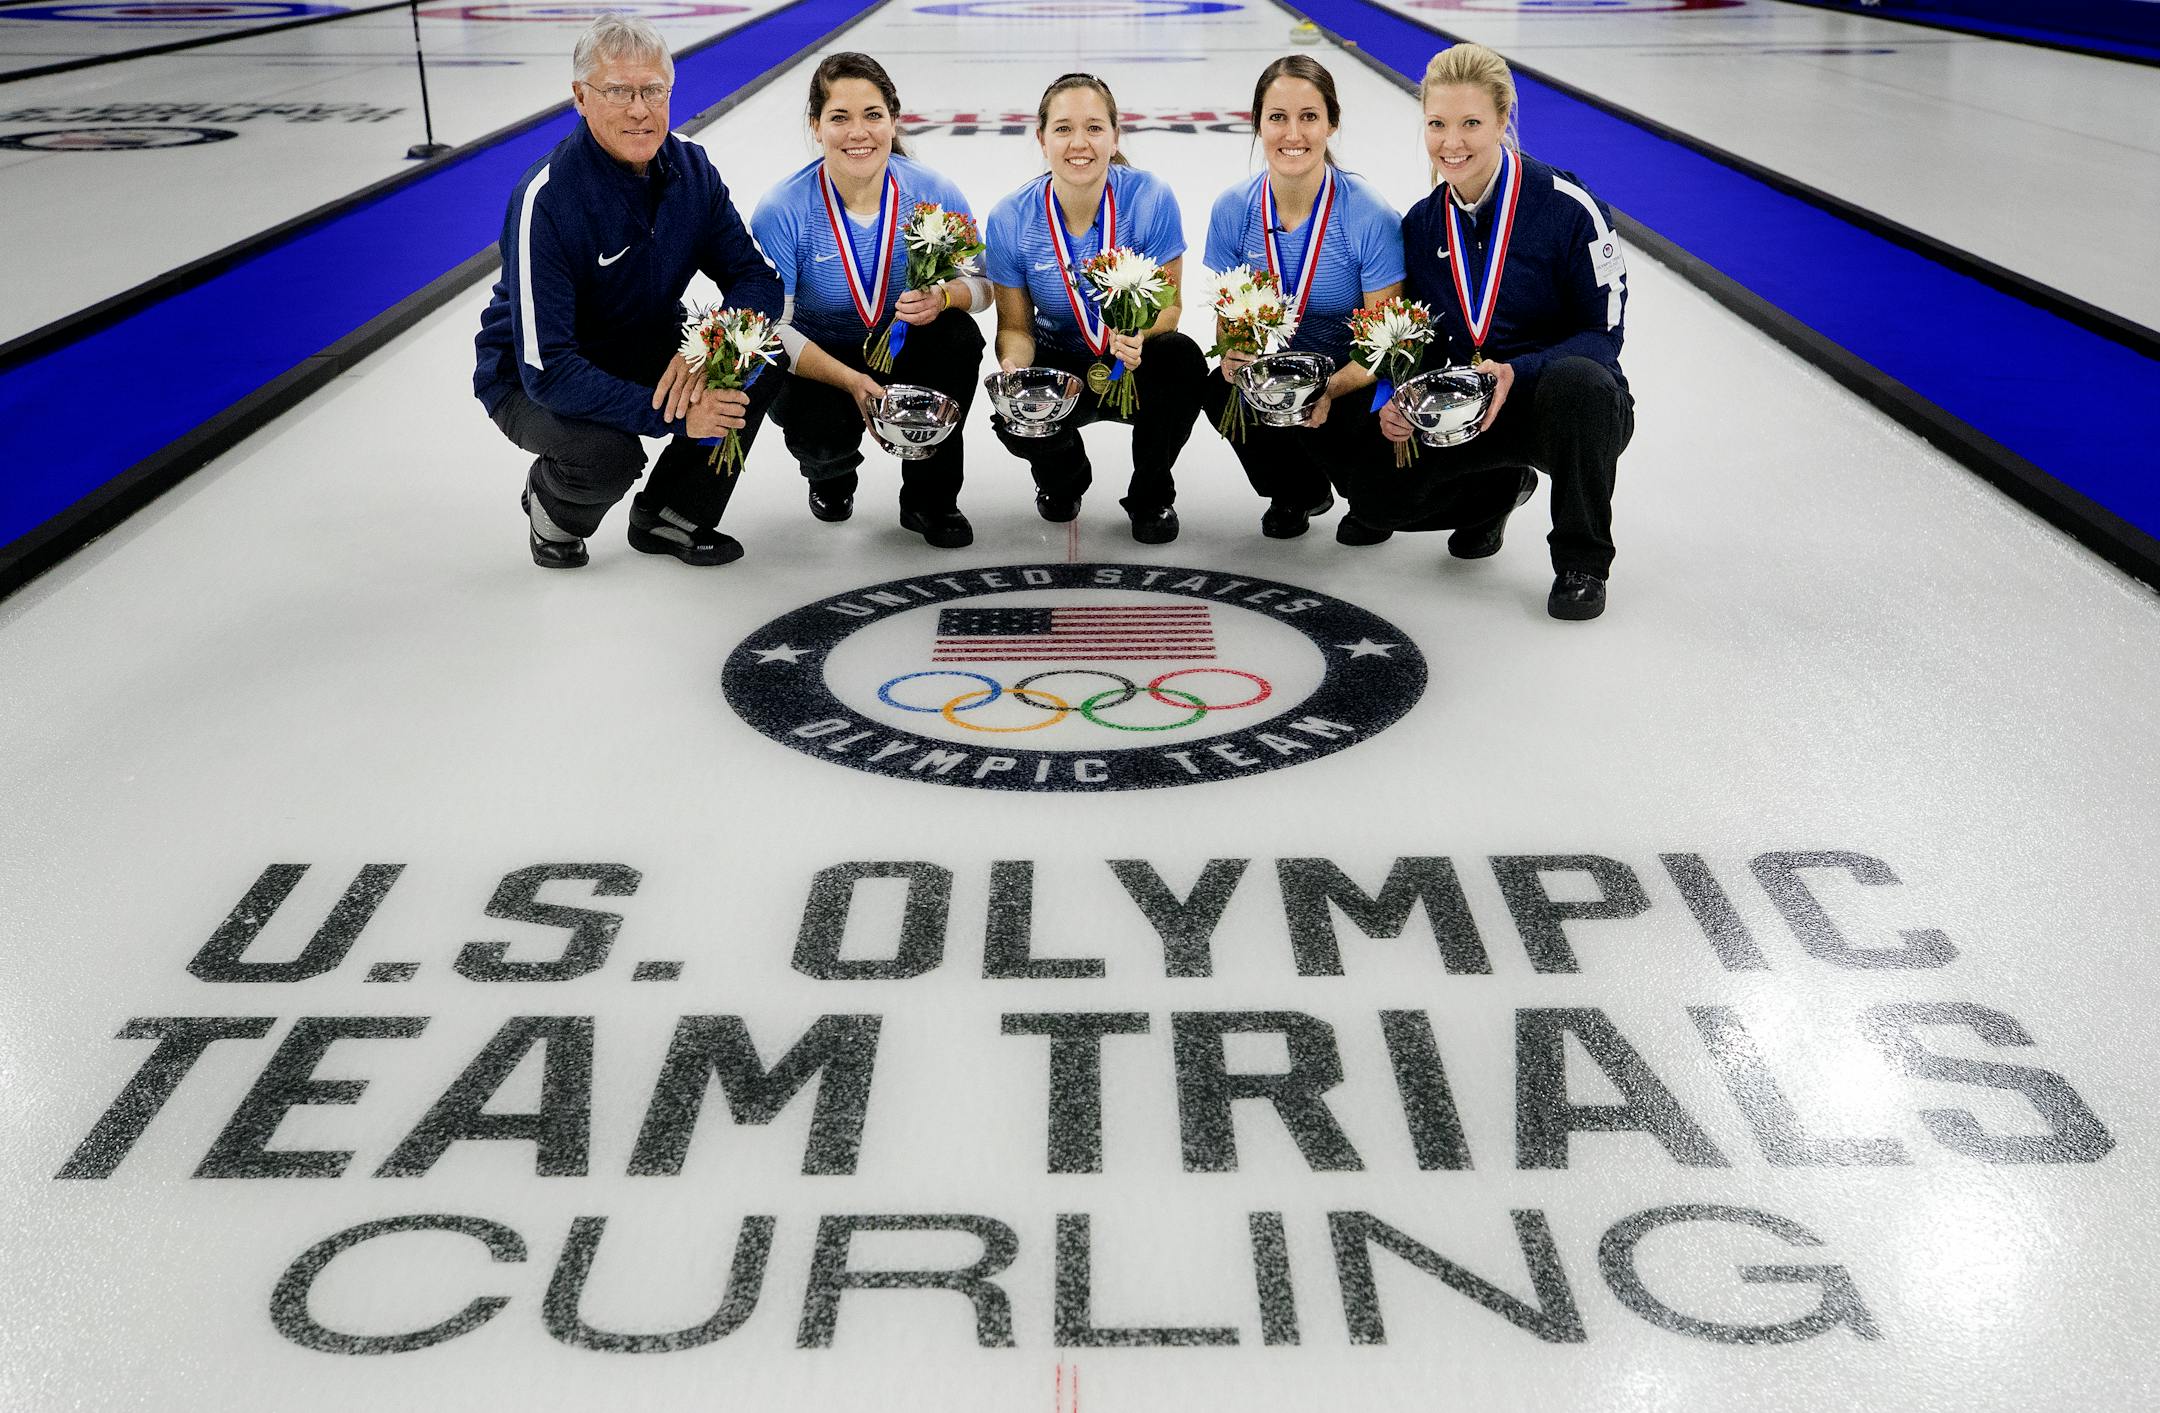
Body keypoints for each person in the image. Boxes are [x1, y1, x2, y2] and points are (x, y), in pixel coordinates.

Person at [472, 15, 783, 568]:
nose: (639, 109)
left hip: (644, 347)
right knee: (608, 454)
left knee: (758, 357)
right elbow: (549, 370)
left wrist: (715, 347)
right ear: (580, 98)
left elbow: (756, 279)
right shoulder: (545, 199)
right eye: (618, 91)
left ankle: (672, 513)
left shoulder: (691, 167)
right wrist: (674, 416)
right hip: (532, 376)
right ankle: (552, 509)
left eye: (653, 90)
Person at [1347, 42, 1633, 621]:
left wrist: (1516, 371)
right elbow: (1417, 339)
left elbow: (1603, 337)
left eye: (1471, 123)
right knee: (1374, 500)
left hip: (1552, 403)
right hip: (1462, 408)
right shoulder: (1422, 224)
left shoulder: (1570, 209)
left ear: (1503, 120)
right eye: (1437, 124)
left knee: (1583, 383)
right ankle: (1495, 496)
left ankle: (1581, 562)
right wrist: (1397, 397)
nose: (1451, 143)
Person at [751, 53, 988, 549]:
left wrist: (945, 296)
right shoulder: (784, 209)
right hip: (821, 365)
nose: (858, 132)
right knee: (819, 431)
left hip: (905, 349)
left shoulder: (932, 191)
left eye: (872, 115)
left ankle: (931, 499)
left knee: (957, 335)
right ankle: (830, 474)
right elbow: (773, 331)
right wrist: (851, 380)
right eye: (840, 118)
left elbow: (984, 287)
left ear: (893, 120)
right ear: (816, 126)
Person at [985, 72, 1207, 545]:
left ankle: (1151, 496)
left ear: (1114, 134)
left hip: (1131, 357)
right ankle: (1062, 476)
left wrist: (1141, 336)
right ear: (1041, 138)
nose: (1078, 143)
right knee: (1013, 414)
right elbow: (1015, 327)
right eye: (1063, 128)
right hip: (1059, 364)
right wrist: (1014, 370)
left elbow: (1172, 305)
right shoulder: (1011, 216)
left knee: (1181, 357)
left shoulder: (1149, 198)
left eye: (1093, 127)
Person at [1202, 55, 1404, 539]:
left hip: (1355, 381)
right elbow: (1227, 327)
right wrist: (1234, 355)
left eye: (1309, 117)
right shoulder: (1234, 210)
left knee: (1380, 507)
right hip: (1285, 380)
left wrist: (1329, 389)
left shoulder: (1366, 214)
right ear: (1257, 124)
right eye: (1277, 118)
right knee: (1218, 388)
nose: (1293, 133)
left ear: (1332, 123)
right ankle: (1297, 491)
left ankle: (1366, 494)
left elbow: (1388, 345)